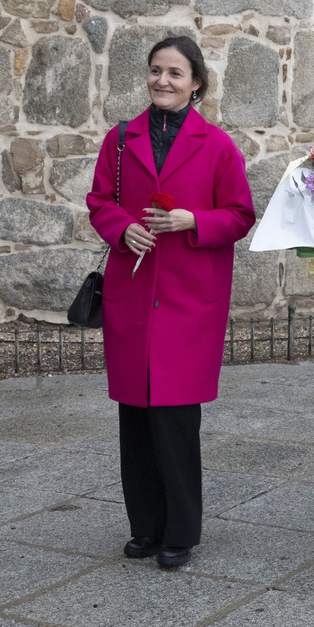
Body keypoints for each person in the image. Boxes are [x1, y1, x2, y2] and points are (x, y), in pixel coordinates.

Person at [86, 36, 256, 569]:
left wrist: (192, 221)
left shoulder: (218, 146)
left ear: (196, 83)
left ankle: (179, 530)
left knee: (175, 421)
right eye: (156, 71)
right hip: (133, 293)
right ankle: (145, 528)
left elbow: (240, 215)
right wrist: (122, 228)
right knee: (135, 417)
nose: (163, 80)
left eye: (175, 73)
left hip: (188, 299)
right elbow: (99, 202)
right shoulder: (120, 138)